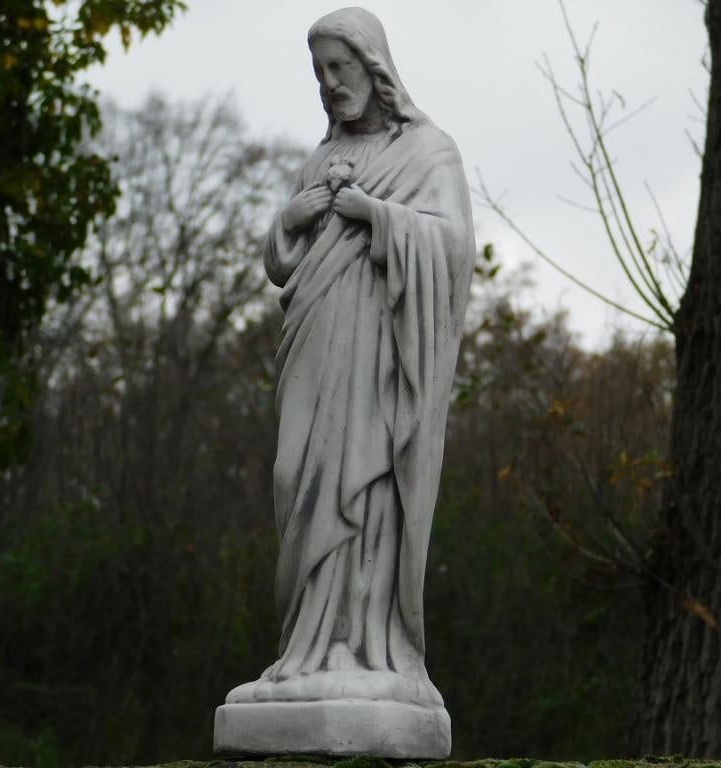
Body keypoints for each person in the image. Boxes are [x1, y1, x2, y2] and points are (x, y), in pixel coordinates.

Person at [226, 6, 475, 710]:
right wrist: (293, 218)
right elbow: (282, 263)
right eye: (320, 73)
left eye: (341, 68)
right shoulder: (319, 156)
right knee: (294, 475)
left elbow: (452, 249)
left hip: (380, 359)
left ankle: (363, 646)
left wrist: (377, 216)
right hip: (313, 342)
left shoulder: (429, 152)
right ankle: (304, 646)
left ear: (375, 68)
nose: (330, 84)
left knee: (363, 489)